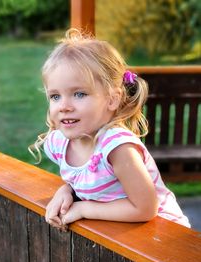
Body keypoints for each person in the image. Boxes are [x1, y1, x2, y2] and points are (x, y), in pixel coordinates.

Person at [29, 28, 190, 229]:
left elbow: (146, 208)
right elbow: (89, 181)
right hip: (123, 236)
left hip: (163, 239)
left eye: (79, 94)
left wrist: (83, 209)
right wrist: (67, 191)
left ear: (112, 99)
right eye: (55, 96)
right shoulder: (60, 143)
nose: (64, 106)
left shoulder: (118, 148)